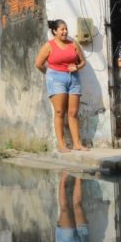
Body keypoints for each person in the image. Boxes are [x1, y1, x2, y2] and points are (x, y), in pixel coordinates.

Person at [34, 19, 88, 152]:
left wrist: (77, 67)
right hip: (56, 79)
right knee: (59, 112)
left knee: (73, 112)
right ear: (55, 31)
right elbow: (39, 64)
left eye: (66, 29)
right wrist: (50, 74)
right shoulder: (49, 45)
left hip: (73, 79)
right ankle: (62, 145)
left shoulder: (73, 44)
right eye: (62, 29)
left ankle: (77, 144)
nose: (65, 32)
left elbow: (83, 61)